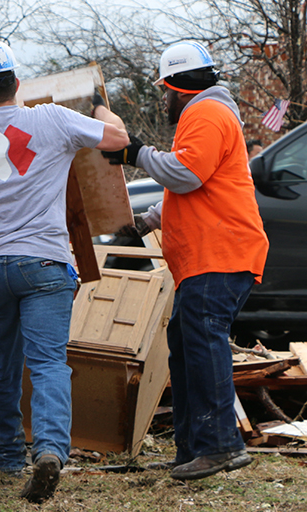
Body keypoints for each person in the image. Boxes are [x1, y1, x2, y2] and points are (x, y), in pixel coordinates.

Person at [0, 39, 129, 503]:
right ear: (17, 83)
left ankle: (10, 459)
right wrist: (99, 109)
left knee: (3, 365)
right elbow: (117, 140)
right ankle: (51, 450)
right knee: (49, 362)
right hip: (46, 264)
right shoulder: (51, 119)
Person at [102, 41, 269, 480]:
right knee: (187, 344)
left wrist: (135, 152)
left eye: (165, 90)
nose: (163, 99)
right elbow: (196, 187)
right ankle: (193, 448)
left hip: (220, 254)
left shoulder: (206, 113)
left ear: (178, 86)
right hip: (212, 256)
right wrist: (147, 221)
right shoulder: (209, 114)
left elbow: (186, 173)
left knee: (203, 342)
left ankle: (220, 447)